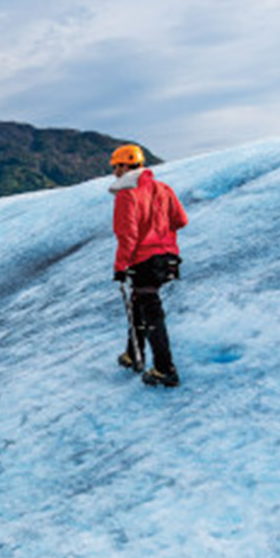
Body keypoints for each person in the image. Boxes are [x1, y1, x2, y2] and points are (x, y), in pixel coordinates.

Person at [110, 144, 188, 388]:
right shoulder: (163, 189)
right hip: (168, 258)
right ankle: (133, 353)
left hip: (144, 260)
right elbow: (181, 220)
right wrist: (161, 235)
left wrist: (121, 267)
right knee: (139, 303)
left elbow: (128, 235)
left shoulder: (127, 195)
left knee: (150, 308)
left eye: (116, 167)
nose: (115, 172)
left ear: (125, 166)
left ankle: (165, 369)